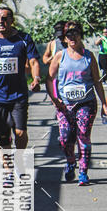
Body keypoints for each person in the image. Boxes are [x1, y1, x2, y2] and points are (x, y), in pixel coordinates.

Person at [0, 7, 41, 171]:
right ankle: (8, 169)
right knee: (3, 135)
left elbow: (33, 62)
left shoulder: (23, 39)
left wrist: (36, 78)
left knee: (20, 132)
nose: (0, 22)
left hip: (18, 94)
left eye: (4, 18)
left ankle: (19, 161)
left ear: (12, 20)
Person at [46, 21, 107, 185]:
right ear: (64, 38)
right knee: (65, 139)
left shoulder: (88, 56)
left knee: (83, 137)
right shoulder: (60, 55)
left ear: (81, 35)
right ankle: (71, 161)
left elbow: (97, 81)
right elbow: (50, 78)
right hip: (65, 105)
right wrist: (54, 98)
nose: (72, 37)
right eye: (68, 34)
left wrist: (105, 104)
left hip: (86, 103)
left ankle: (83, 173)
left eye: (75, 33)